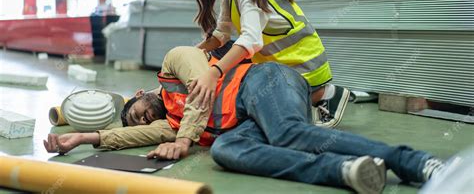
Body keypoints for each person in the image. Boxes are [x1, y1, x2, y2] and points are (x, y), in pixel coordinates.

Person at [45, 46, 444, 194]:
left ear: (138, 94)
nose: (145, 116)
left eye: (139, 110)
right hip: (245, 123)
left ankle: (412, 162)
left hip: (264, 82)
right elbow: (134, 138)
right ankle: (346, 171)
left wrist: (184, 140)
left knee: (287, 132)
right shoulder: (168, 121)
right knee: (227, 149)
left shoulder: (174, 64)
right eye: (141, 120)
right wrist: (83, 138)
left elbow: (202, 87)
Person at [173, 0, 349, 128]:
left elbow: (251, 39)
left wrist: (214, 73)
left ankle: (324, 95)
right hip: (281, 65)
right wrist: (194, 53)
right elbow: (222, 34)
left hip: (304, 64)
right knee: (221, 55)